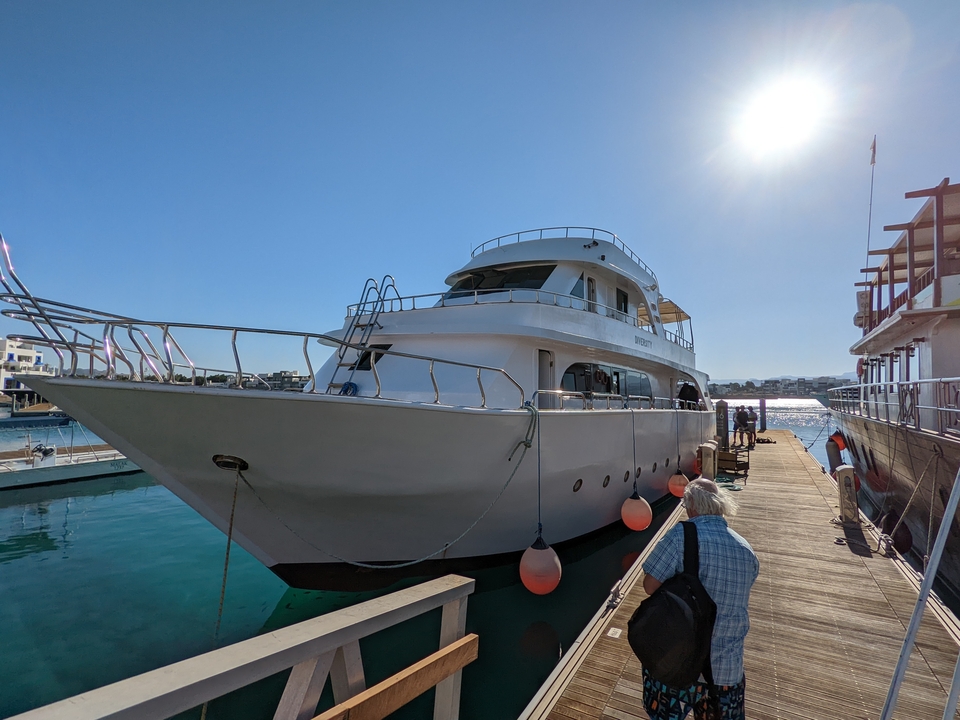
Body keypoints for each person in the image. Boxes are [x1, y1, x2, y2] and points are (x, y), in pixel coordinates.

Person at [640, 479, 759, 720]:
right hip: (726, 669)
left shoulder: (681, 535)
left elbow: (649, 586)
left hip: (678, 664)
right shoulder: (746, 549)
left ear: (692, 505)